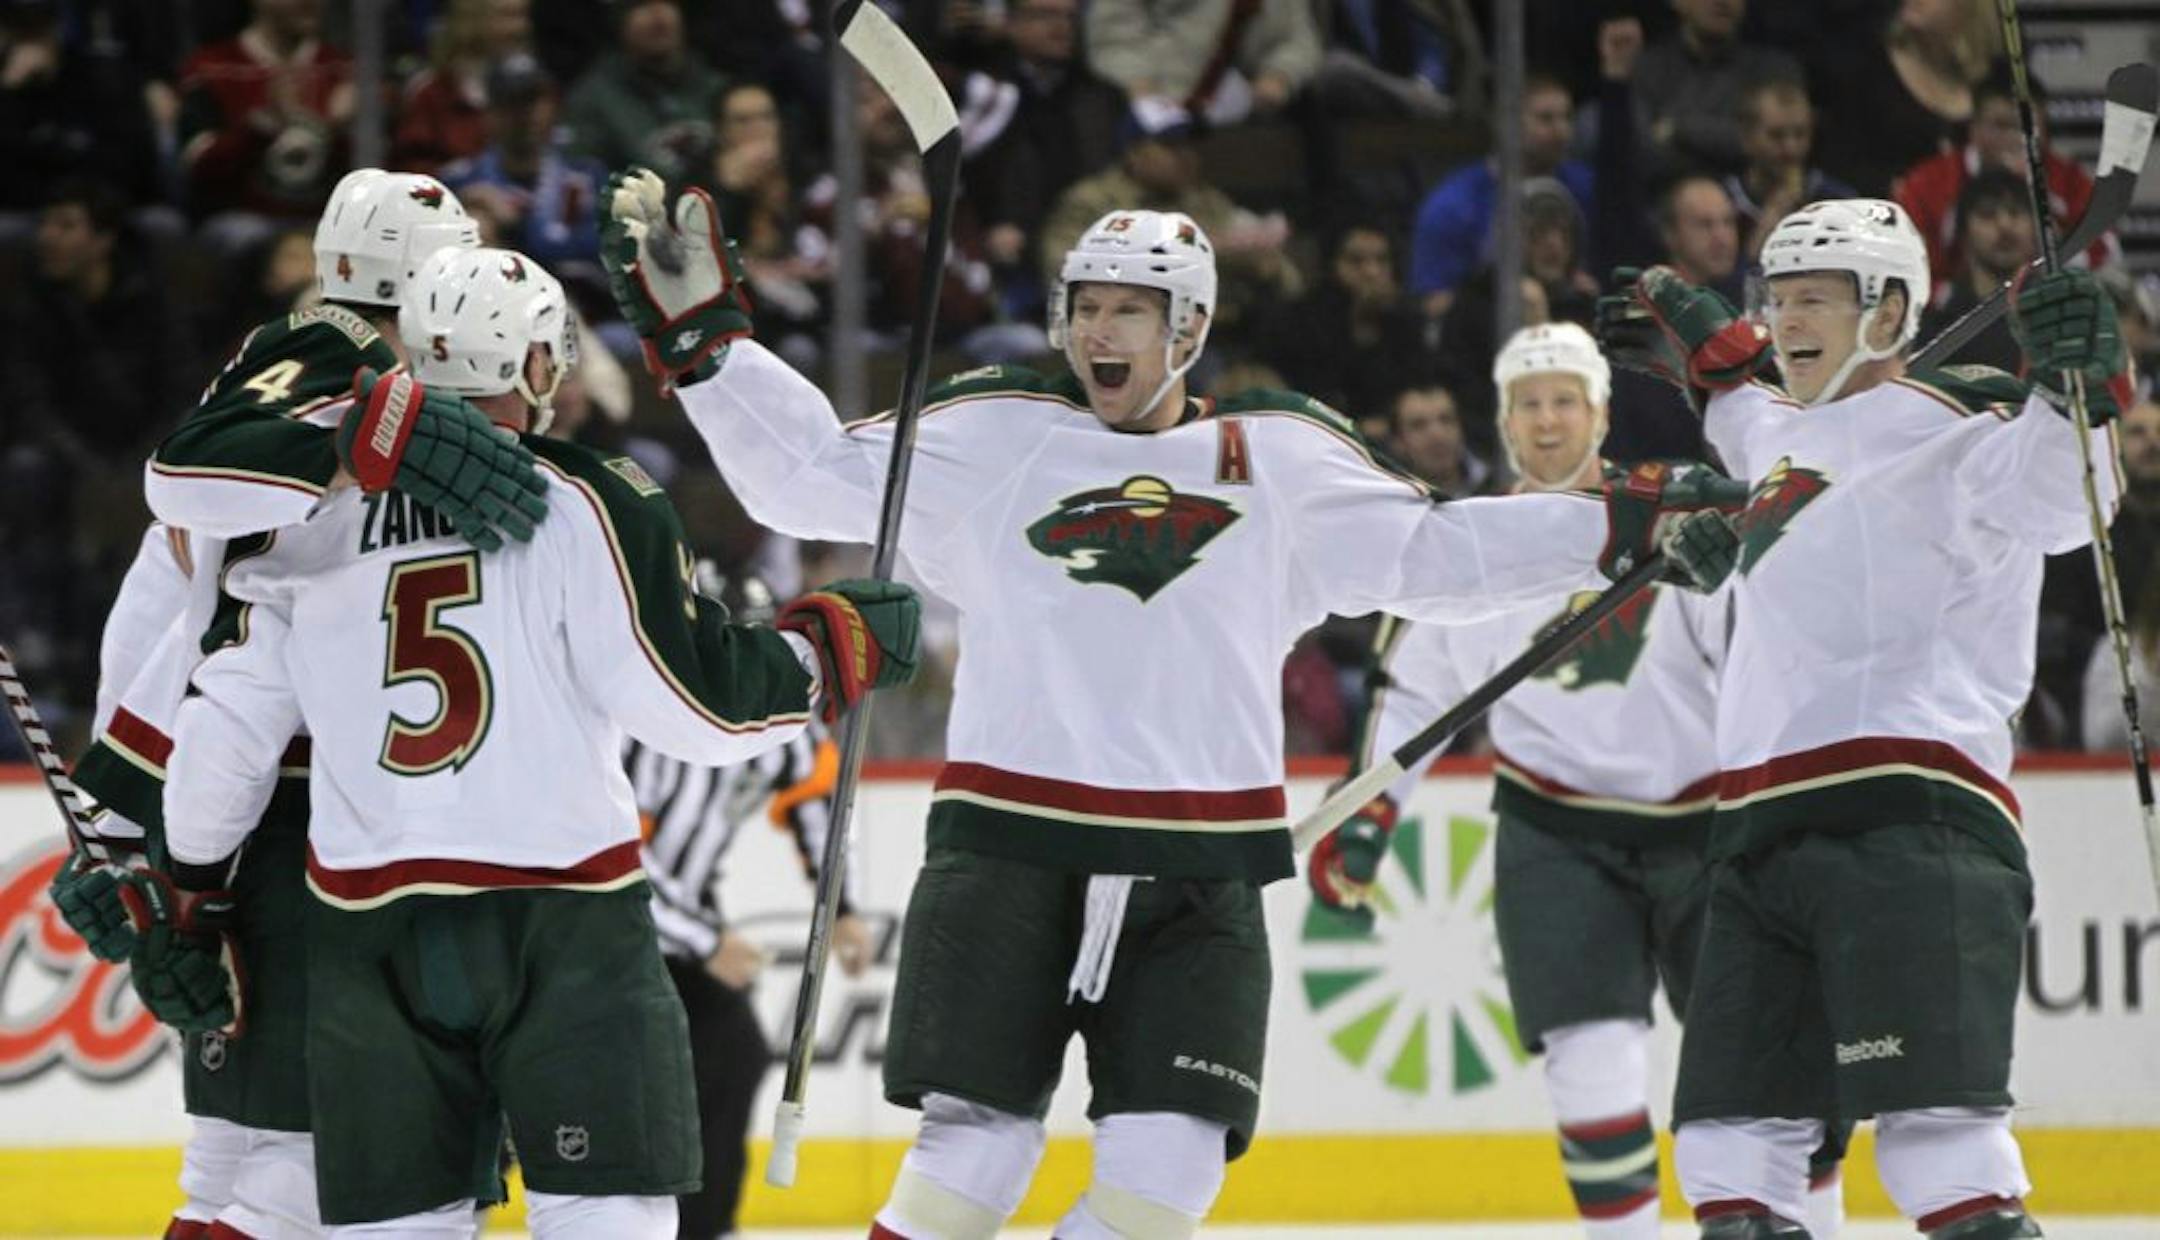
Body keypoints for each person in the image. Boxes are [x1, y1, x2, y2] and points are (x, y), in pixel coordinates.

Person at [601, 167, 1744, 1239]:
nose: (1096, 332)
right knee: (971, 1161)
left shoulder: (1283, 461)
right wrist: (709, 347)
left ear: (1189, 329)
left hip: (1200, 870)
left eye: (1128, 312)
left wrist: (1616, 526)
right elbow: (801, 475)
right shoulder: (994, 438)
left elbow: (1435, 553)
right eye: (1083, 306)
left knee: (1165, 1180)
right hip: (1011, 850)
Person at [138, 245, 922, 1236]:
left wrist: (191, 887)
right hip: (562, 921)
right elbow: (700, 711)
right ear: (541, 369)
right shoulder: (591, 499)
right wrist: (828, 647)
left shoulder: (309, 522)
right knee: (608, 1218)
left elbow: (227, 731)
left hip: (371, 927)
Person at [1601, 199, 2128, 1236]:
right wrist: (1715, 389)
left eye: (1815, 298)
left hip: (1913, 816)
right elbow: (1737, 407)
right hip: (1755, 838)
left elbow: (2072, 502)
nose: (1786, 316)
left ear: (1889, 311)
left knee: (1942, 1152)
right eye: (1776, 297)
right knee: (1728, 1161)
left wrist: (2087, 385)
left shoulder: (1963, 427)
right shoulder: (1775, 435)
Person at [45, 168, 513, 1239]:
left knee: (240, 1174)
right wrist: (136, 839)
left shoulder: (313, 375)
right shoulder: (341, 364)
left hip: (269, 824)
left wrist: (120, 819)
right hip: (311, 833)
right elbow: (183, 501)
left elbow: (159, 605)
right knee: (328, 1184)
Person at [1317, 323, 1845, 1239]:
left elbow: (1769, 663)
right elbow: (1412, 698)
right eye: (1529, 403)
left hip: (1708, 831)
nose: (1548, 420)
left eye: (1566, 400)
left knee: (1771, 1064)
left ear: (1600, 415)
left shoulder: (1677, 527)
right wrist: (1367, 819)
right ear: (1504, 421)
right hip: (1555, 834)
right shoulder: (1471, 544)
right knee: (1590, 1069)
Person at [627, 570, 874, 1240]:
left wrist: (841, 905)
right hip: (592, 923)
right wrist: (709, 944)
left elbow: (815, 801)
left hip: (676, 928)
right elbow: (615, 866)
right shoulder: (638, 714)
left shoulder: (773, 716)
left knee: (731, 1050)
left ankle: (702, 1230)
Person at [1893, 65, 2118, 288]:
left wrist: (2039, 204)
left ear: (2046, 130)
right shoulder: (1927, 183)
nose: (2014, 138)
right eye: (2000, 126)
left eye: (2027, 127)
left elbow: (2104, 257)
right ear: (1974, 128)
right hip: (1954, 313)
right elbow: (1906, 267)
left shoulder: (2069, 181)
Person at [1411, 69, 1592, 316]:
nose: (1561, 131)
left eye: (1566, 118)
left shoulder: (1584, 186)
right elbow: (1433, 306)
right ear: (1507, 123)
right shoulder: (1453, 205)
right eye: (1546, 119)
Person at [1721, 78, 1854, 266]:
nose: (1790, 148)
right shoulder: (1720, 204)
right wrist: (1766, 229)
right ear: (1746, 138)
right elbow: (1716, 287)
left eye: (1800, 134)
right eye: (1776, 135)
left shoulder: (1839, 201)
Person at [1915, 168, 2035, 374]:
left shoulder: (2057, 317)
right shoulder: (1934, 328)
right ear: (1963, 232)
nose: (2004, 225)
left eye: (2015, 212)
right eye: (1987, 214)